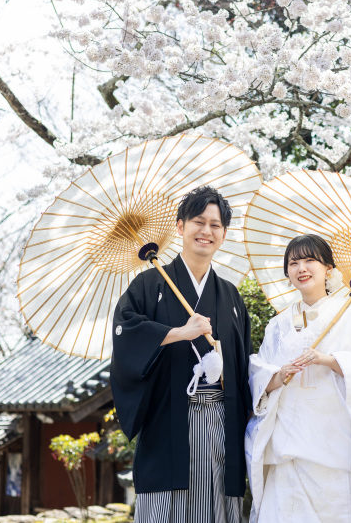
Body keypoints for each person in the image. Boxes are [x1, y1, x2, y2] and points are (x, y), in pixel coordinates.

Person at [110, 186, 253, 523]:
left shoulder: (231, 296)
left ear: (224, 234)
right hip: (169, 420)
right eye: (198, 222)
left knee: (218, 505)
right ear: (180, 226)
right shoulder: (148, 286)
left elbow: (244, 364)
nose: (206, 231)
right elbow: (126, 336)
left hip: (222, 422)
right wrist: (178, 333)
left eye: (215, 225)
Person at [245, 234, 351, 523]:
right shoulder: (277, 325)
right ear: (287, 273)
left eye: (310, 260)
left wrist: (329, 360)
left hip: (334, 450)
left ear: (328, 269)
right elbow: (258, 378)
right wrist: (279, 374)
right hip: (287, 451)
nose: (301, 268)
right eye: (293, 263)